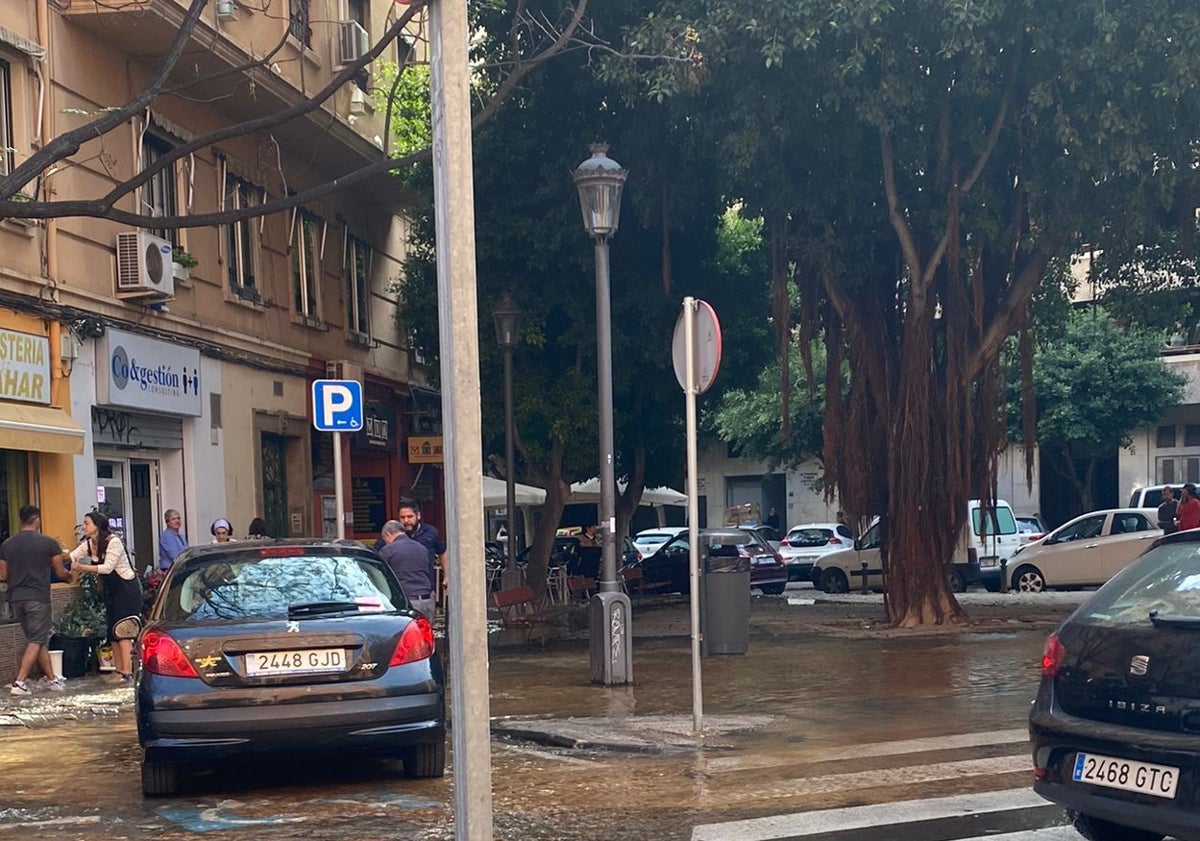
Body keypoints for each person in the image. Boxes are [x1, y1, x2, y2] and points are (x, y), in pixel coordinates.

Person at [1, 505, 70, 695]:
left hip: (16, 599)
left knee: (36, 639)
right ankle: (20, 682)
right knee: (37, 638)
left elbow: (4, 575)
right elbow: (60, 572)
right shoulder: (48, 543)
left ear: (21, 520)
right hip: (38, 598)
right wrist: (70, 576)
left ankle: (52, 679)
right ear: (37, 519)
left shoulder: (7, 544)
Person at [69, 512, 142, 683]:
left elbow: (108, 568)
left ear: (97, 525)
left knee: (124, 631)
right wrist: (66, 556)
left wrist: (81, 567)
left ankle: (127, 673)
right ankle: (118, 671)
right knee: (112, 632)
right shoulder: (90, 543)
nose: (84, 526)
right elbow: (74, 555)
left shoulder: (113, 541)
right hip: (111, 591)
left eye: (87, 523)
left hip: (127, 590)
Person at [378, 519, 436, 622]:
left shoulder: (388, 551)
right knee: (426, 635)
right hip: (427, 599)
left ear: (388, 534)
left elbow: (380, 578)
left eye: (385, 539)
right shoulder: (422, 548)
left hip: (407, 602)